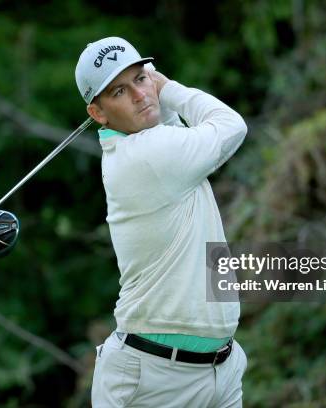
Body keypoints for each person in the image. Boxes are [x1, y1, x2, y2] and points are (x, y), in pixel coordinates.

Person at [75, 36, 248, 407]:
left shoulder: (155, 146)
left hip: (219, 371)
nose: (139, 95)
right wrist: (168, 88)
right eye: (120, 91)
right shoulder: (146, 156)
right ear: (98, 114)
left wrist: (157, 97)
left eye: (140, 79)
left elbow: (171, 129)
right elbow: (231, 125)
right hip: (154, 380)